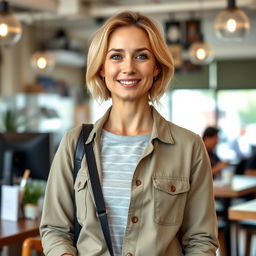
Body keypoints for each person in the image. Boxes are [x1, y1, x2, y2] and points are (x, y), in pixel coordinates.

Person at [40, 11, 219, 256]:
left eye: (141, 56)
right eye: (116, 56)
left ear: (156, 67)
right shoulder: (75, 143)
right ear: (102, 68)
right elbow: (55, 229)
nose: (128, 68)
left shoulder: (189, 147)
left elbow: (201, 241)